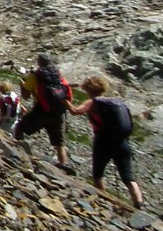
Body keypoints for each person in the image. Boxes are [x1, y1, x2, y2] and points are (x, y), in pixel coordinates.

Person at [69, 75, 144, 208]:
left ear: (88, 89)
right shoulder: (116, 102)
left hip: (103, 141)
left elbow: (75, 111)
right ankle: (139, 204)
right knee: (127, 176)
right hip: (122, 142)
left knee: (98, 174)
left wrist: (63, 100)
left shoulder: (93, 102)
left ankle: (104, 200)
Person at [14, 54, 72, 168]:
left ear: (38, 62)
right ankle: (63, 165)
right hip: (58, 112)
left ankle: (18, 154)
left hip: (41, 111)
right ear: (50, 62)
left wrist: (22, 85)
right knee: (60, 143)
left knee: (20, 127)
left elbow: (25, 96)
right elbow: (67, 94)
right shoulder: (58, 75)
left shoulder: (35, 75)